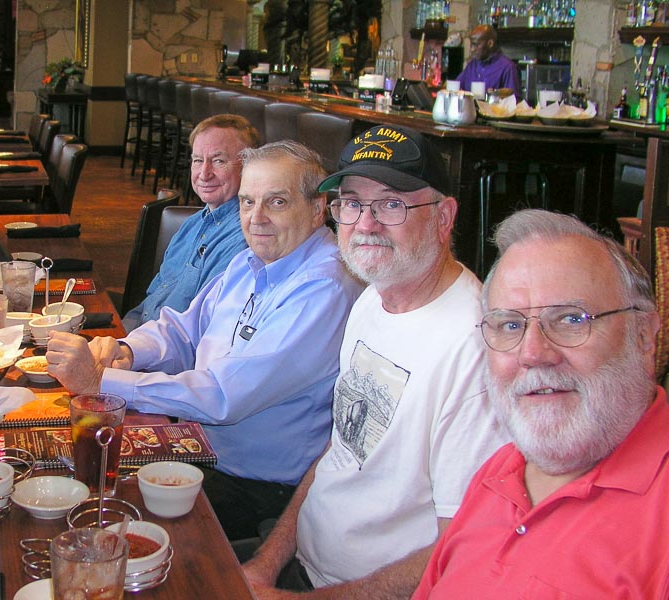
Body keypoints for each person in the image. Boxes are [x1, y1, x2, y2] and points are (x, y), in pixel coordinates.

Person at [47, 141, 364, 539]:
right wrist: (127, 351)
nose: (256, 218)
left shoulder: (324, 288)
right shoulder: (252, 260)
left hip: (259, 489)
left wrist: (101, 384)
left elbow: (222, 396)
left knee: (102, 530)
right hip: (200, 450)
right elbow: (183, 329)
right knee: (68, 482)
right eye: (247, 202)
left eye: (277, 202)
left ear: (318, 209)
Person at [242, 125, 507, 598]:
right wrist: (265, 564)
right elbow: (340, 451)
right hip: (301, 565)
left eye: (391, 204)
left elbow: (460, 548)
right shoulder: (372, 298)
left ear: (445, 217)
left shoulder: (474, 349)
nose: (365, 224)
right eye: (351, 203)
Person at [413, 209, 667, 598]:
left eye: (570, 319)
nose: (533, 353)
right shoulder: (503, 470)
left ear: (644, 337)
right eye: (510, 325)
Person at [121, 114, 259, 331]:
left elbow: (200, 331)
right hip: (137, 337)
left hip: (165, 358)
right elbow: (150, 301)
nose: (204, 173)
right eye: (197, 160)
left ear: (249, 167)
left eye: (218, 161)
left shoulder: (246, 239)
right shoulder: (191, 224)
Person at [456, 25, 520, 97]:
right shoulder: (472, 65)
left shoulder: (507, 67)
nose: (472, 49)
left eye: (475, 44)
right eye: (471, 45)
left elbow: (513, 102)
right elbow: (456, 88)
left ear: (490, 43)